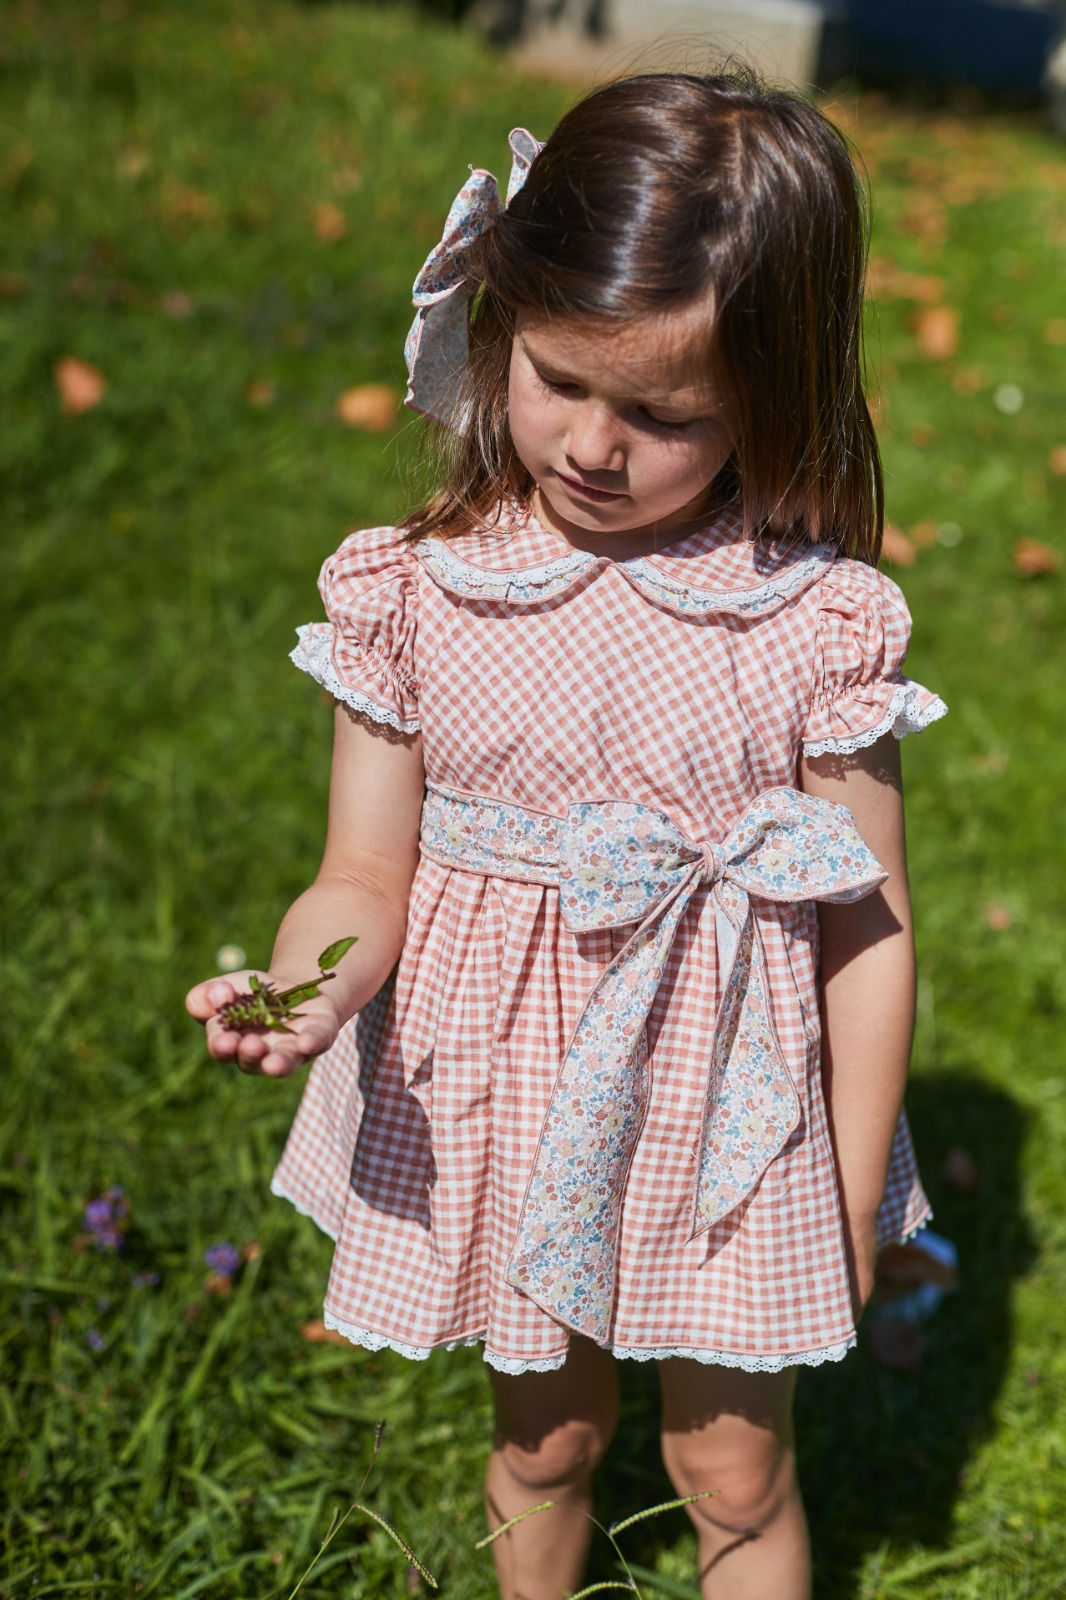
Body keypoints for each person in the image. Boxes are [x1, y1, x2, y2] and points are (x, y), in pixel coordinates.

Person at [187, 71, 946, 1600]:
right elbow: (362, 872)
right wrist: (310, 987)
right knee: (544, 1443)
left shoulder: (811, 622)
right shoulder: (413, 593)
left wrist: (854, 1189)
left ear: (766, 394)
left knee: (730, 1467)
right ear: (501, 327)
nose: (593, 445)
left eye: (662, 415)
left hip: (728, 1110)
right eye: (556, 379)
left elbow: (865, 925)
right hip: (508, 1098)